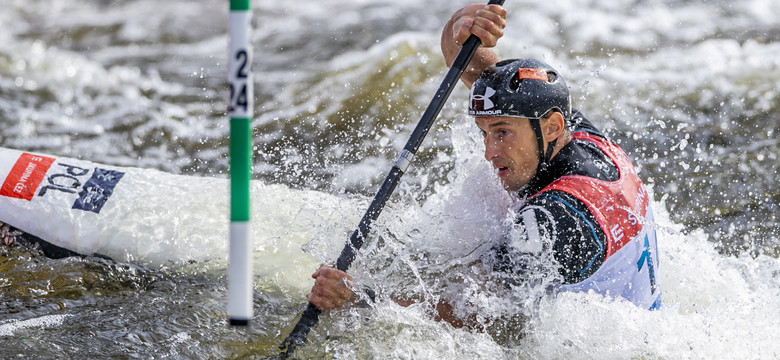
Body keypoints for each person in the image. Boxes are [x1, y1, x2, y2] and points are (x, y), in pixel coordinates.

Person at [307, 3, 661, 326]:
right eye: (485, 133)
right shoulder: (583, 141)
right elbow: (475, 71)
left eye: (503, 133)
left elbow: (469, 312)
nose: (490, 152)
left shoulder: (557, 218)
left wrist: (361, 299)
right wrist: (462, 27)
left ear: (551, 126)